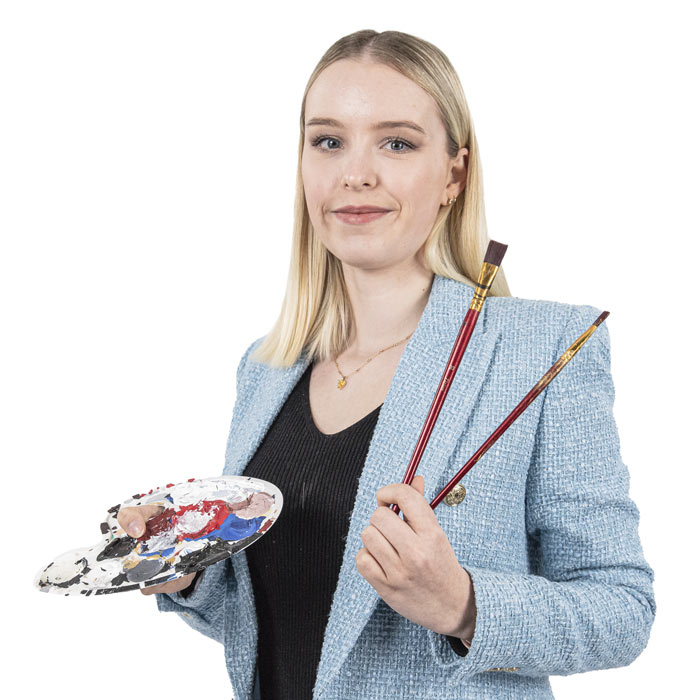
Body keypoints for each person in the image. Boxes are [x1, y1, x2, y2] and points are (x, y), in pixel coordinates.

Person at [117, 29, 656, 700]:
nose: (356, 174)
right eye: (328, 141)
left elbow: (622, 611)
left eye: (396, 143)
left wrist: (462, 605)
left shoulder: (542, 348)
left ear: (454, 175)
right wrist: (187, 568)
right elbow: (289, 626)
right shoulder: (265, 368)